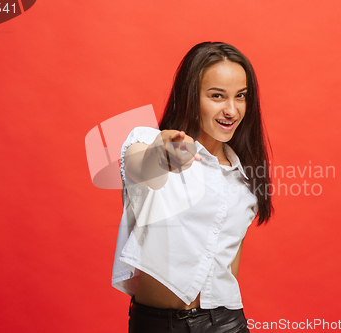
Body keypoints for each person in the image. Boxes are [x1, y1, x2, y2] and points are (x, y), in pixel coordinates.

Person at [112, 41, 273, 333]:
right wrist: (162, 152)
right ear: (191, 96)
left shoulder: (244, 179)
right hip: (156, 325)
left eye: (241, 96)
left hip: (227, 323)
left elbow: (227, 267)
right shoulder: (150, 143)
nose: (231, 110)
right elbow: (141, 166)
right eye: (217, 96)